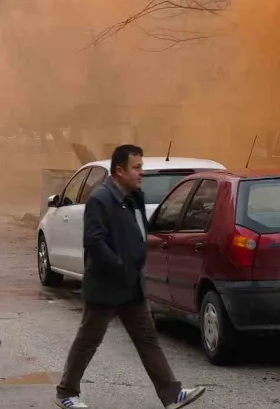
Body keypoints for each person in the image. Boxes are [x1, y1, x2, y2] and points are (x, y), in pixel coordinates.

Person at [54, 145, 205, 409]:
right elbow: (94, 241)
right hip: (105, 287)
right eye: (136, 168)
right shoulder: (101, 199)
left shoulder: (134, 197)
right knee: (88, 341)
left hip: (132, 287)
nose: (141, 173)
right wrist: (118, 266)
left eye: (141, 167)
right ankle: (66, 393)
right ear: (119, 170)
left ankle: (172, 394)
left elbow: (139, 233)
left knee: (147, 339)